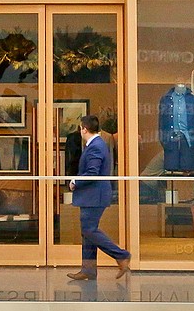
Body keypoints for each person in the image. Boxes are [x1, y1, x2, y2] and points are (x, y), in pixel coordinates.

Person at [67, 115, 131, 281]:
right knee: (87, 231)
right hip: (92, 196)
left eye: (81, 129)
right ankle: (88, 269)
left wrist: (75, 182)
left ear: (84, 129)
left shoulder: (95, 146)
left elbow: (92, 172)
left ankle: (121, 255)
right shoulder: (97, 144)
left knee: (89, 230)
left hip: (94, 196)